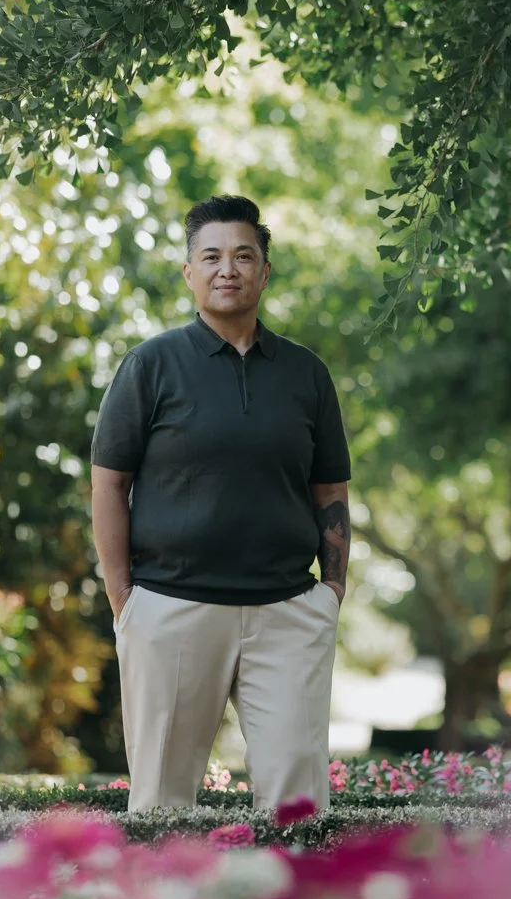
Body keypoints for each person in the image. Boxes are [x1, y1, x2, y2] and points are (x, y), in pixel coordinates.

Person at [89, 195, 351, 813]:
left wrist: (332, 591)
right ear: (189, 273)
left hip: (287, 611)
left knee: (298, 808)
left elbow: (331, 491)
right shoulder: (150, 366)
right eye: (211, 257)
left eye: (243, 256)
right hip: (171, 610)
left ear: (265, 271)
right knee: (162, 806)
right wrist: (124, 599)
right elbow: (107, 485)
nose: (226, 269)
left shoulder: (306, 374)